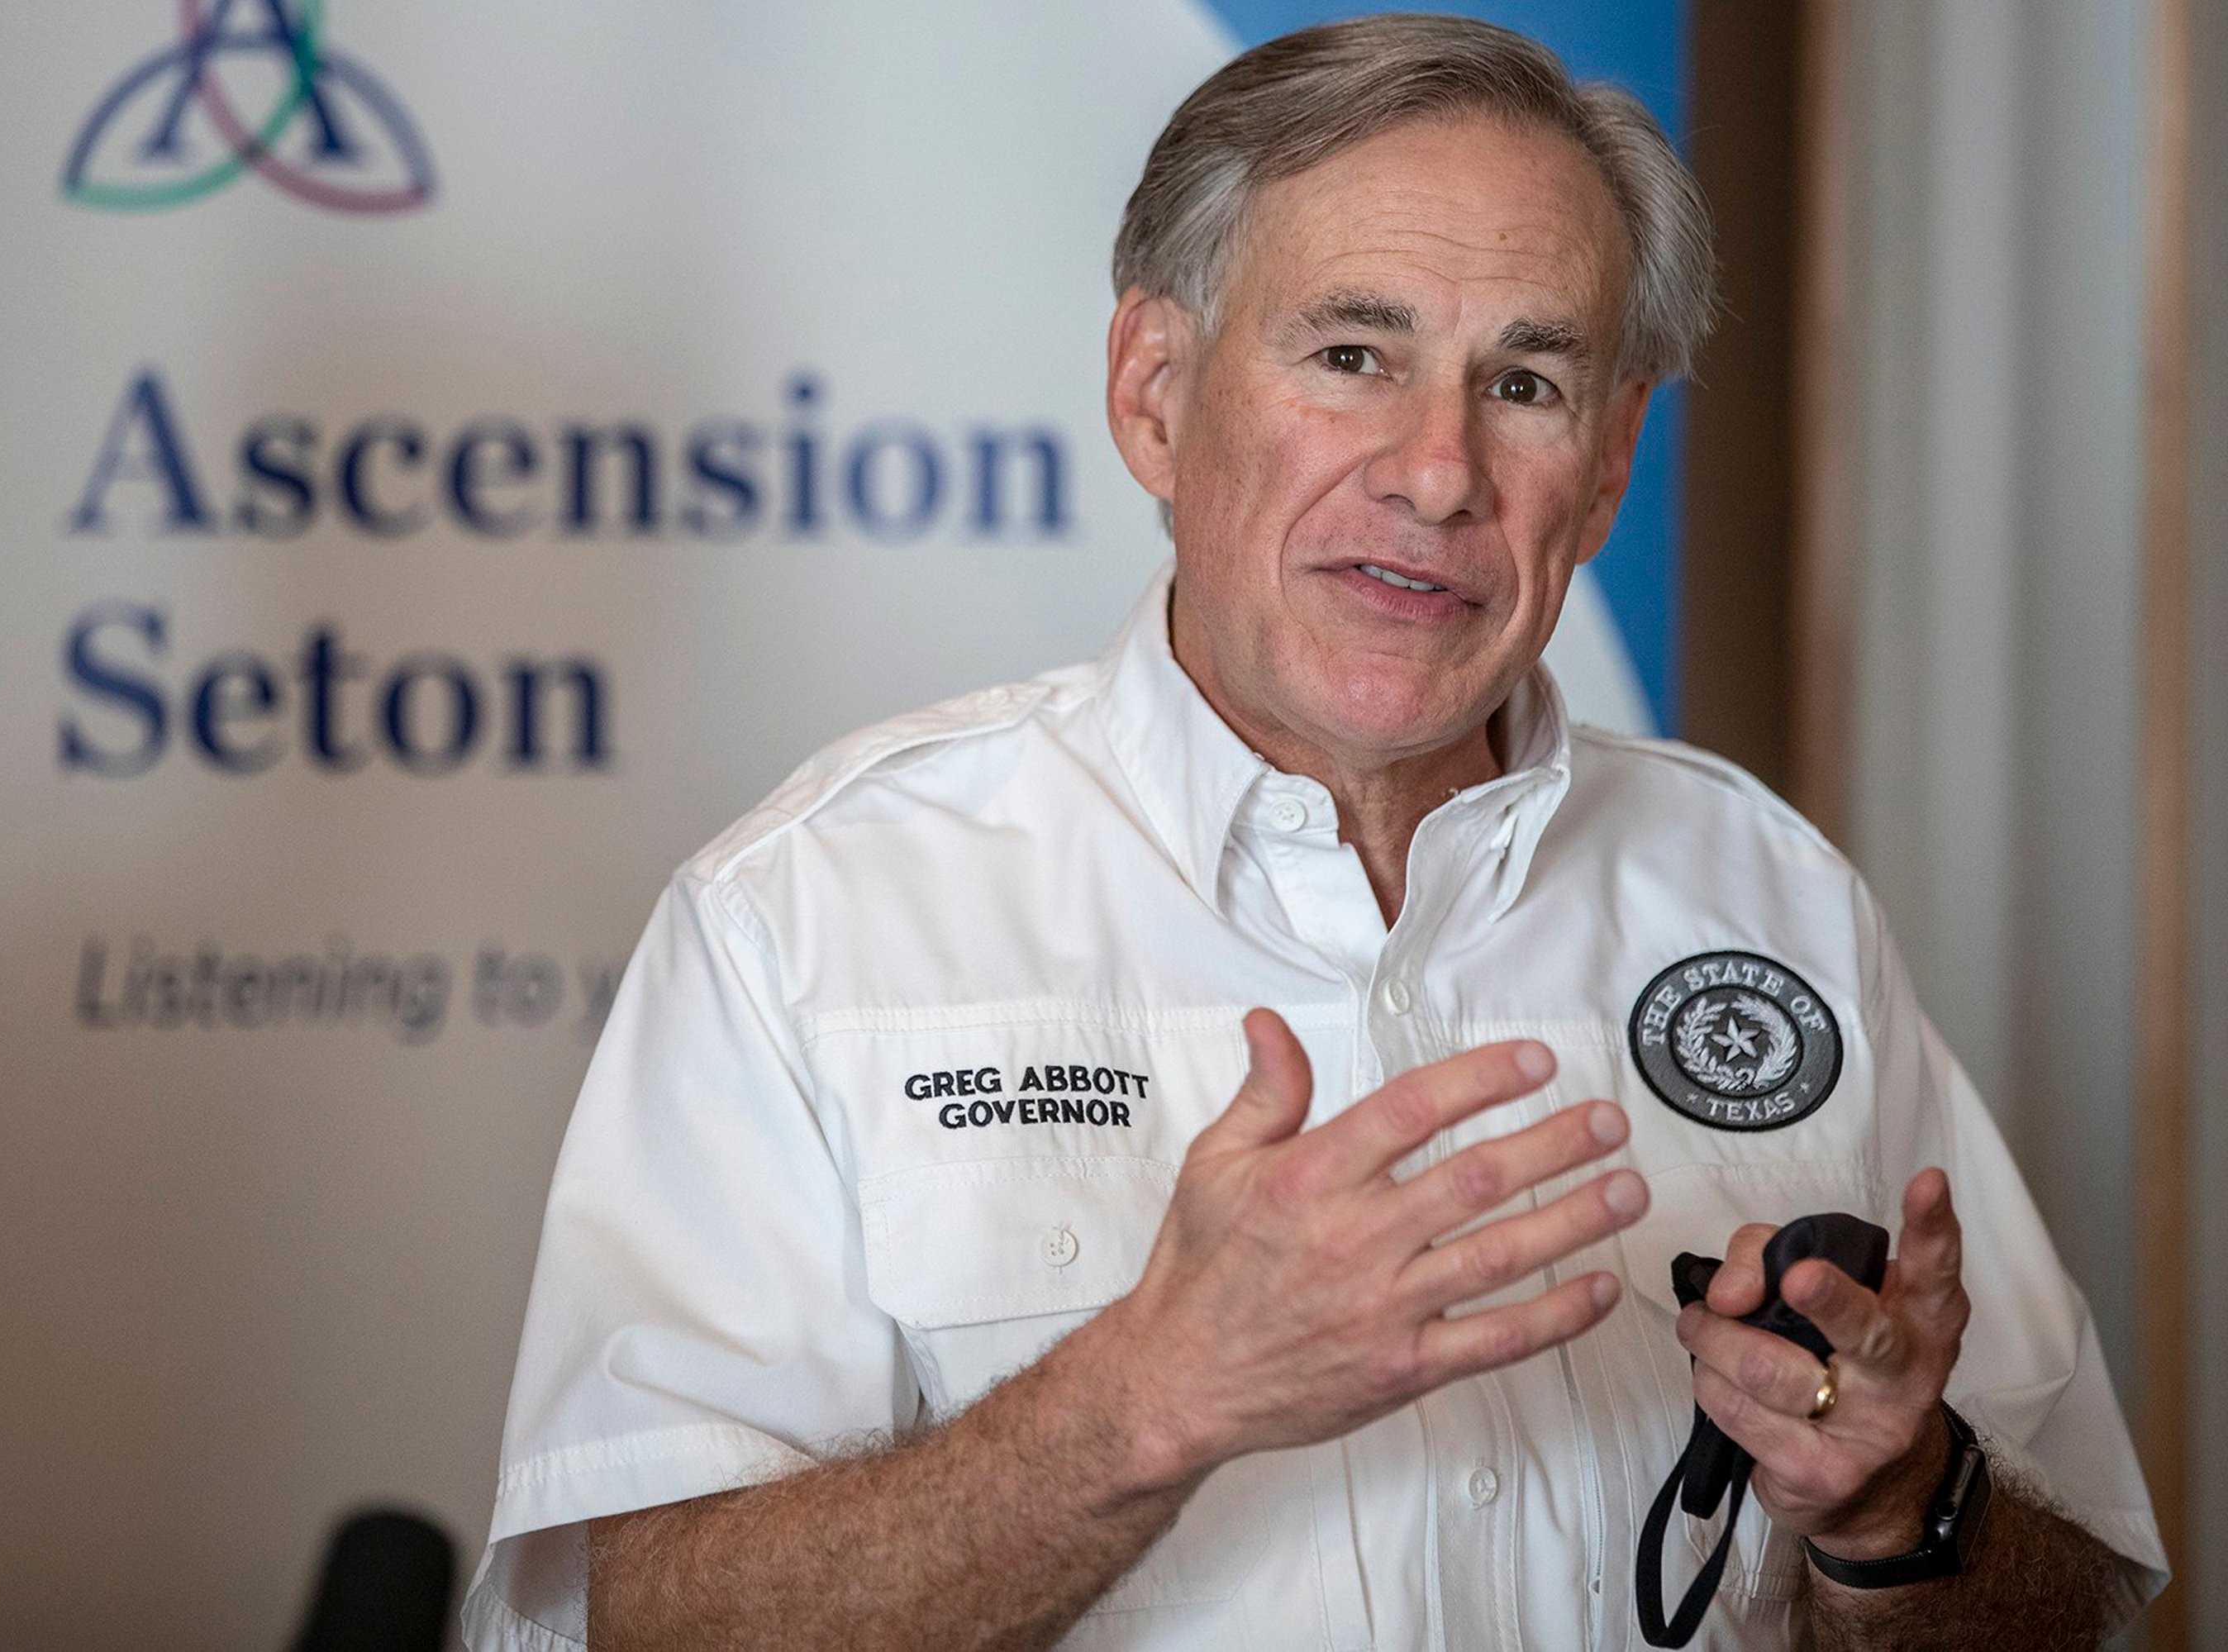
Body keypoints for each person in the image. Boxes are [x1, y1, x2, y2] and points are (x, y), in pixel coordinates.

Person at [465, 16, 2167, 1650]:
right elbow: (652, 1622)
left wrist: (1896, 1511)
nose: (1437, 473)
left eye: (1526, 381)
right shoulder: (818, 914)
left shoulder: (1770, 894)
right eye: (1353, 355)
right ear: (1154, 392)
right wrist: (1146, 1400)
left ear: (1611, 462)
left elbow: (2071, 1587)